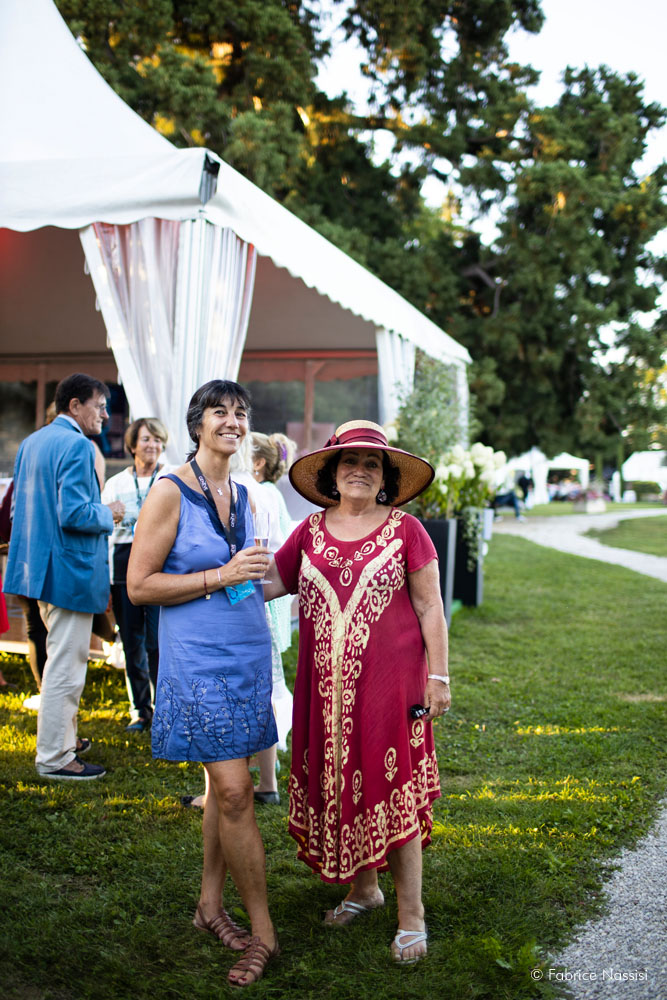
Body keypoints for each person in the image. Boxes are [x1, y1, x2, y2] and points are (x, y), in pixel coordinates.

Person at [263, 420, 450, 964]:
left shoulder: (407, 531)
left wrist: (439, 676)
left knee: (395, 789)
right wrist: (213, 576)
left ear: (387, 476)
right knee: (344, 783)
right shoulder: (309, 532)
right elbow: (271, 584)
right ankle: (364, 890)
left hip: (391, 689)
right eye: (350, 461)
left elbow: (430, 606)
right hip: (323, 693)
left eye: (373, 463)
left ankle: (411, 916)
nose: (361, 471)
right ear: (332, 470)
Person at [127, 379, 279, 988]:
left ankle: (209, 907)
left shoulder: (242, 494)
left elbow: (247, 578)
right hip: (197, 662)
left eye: (240, 413)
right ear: (197, 425)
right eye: (220, 412)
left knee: (224, 789)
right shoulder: (170, 491)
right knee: (238, 793)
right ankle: (264, 933)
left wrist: (270, 576)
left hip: (247, 656)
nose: (232, 422)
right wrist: (222, 575)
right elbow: (139, 586)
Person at [4, 373, 125, 779]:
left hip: (36, 569)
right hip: (68, 573)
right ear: (74, 405)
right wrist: (109, 513)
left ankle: (64, 739)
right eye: (100, 406)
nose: (105, 415)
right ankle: (56, 758)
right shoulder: (77, 445)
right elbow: (74, 513)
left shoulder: (32, 442)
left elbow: (22, 509)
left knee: (60, 660)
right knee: (66, 668)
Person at [102, 418, 169, 732]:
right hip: (122, 564)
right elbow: (104, 532)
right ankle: (140, 710)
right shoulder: (116, 483)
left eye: (157, 440)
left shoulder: (170, 478)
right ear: (132, 445)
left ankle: (164, 707)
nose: (152, 445)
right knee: (131, 641)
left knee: (157, 641)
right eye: (145, 439)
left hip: (160, 565)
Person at [249, 431, 297, 804]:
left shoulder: (260, 493)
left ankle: (272, 753)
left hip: (263, 597)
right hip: (268, 595)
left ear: (258, 463)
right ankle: (269, 758)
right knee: (271, 678)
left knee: (269, 681)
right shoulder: (268, 492)